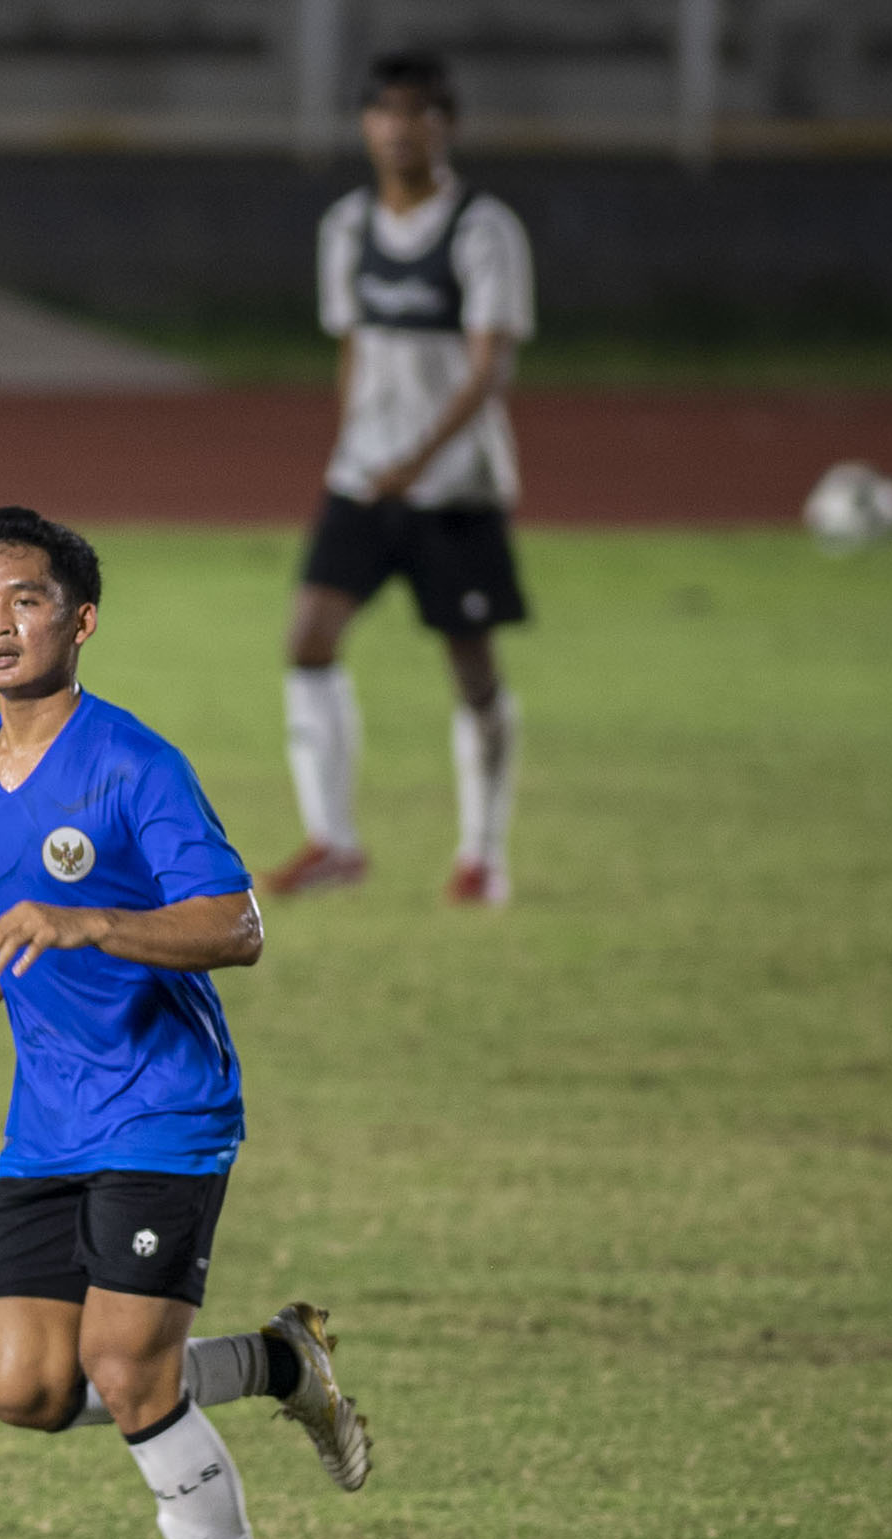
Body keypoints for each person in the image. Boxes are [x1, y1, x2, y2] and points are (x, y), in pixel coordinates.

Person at [0, 509, 373, 1539]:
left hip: (165, 1104)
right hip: (49, 1125)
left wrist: (94, 919)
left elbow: (237, 923)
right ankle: (275, 1365)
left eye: (26, 600)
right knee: (26, 1385)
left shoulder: (132, 764)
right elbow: (0, 930)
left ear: (80, 620)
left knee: (124, 1365)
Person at [264, 49, 536, 908]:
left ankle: (482, 854)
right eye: (384, 112)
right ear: (366, 125)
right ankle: (334, 840)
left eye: (418, 112)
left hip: (452, 488)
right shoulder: (345, 226)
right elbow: (353, 345)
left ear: (444, 125)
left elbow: (490, 365)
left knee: (471, 668)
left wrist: (418, 459)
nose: (399, 128)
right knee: (308, 638)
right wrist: (356, 446)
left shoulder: (483, 229)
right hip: (364, 479)